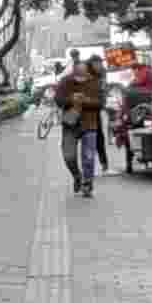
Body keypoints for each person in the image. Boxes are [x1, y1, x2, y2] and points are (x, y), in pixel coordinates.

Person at [53, 54, 107, 197]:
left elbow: (101, 103)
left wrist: (85, 100)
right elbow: (58, 99)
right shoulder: (66, 81)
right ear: (74, 73)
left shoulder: (95, 82)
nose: (81, 80)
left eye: (84, 77)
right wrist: (71, 99)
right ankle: (77, 175)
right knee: (68, 155)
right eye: (78, 78)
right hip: (70, 123)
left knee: (88, 156)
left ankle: (87, 184)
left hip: (89, 123)